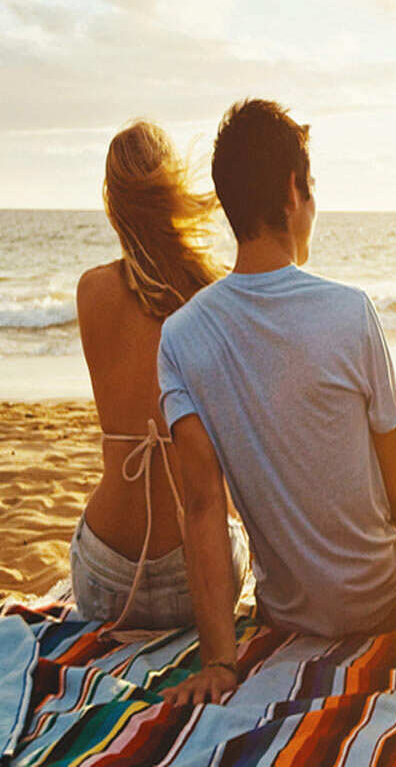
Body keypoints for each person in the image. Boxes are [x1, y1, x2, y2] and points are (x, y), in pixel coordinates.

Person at [157, 100, 396, 704]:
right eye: (312, 188)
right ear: (294, 189)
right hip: (381, 595)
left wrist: (220, 661)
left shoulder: (182, 337)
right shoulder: (351, 311)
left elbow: (202, 508)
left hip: (289, 610)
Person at [71, 121, 248, 631]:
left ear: (112, 203)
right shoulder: (213, 295)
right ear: (172, 193)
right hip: (195, 579)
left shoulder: (92, 292)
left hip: (105, 581)